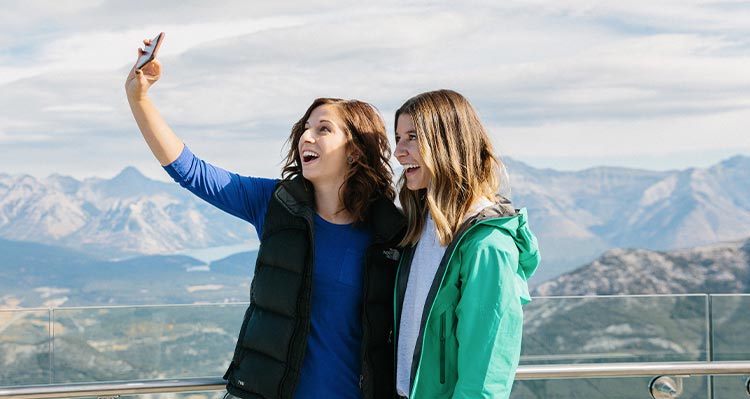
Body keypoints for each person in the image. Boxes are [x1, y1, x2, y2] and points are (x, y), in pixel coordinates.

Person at [124, 37, 405, 399]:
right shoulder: (275, 205)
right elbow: (190, 170)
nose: (307, 136)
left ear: (354, 152)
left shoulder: (390, 230)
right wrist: (140, 99)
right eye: (306, 128)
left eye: (323, 129)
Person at [392, 89, 540, 398]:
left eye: (412, 138)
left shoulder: (487, 244)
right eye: (398, 138)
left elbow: (487, 370)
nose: (398, 152)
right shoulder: (421, 225)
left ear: (447, 143)